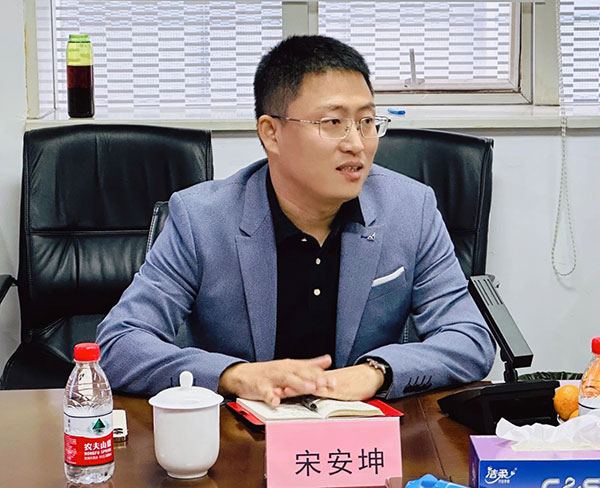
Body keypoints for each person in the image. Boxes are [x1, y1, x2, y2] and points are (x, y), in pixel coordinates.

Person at [96, 35, 495, 405]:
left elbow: (470, 338)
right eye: (333, 123)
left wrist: (377, 372)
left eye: (367, 121)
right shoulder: (202, 219)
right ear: (271, 133)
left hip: (359, 436)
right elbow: (118, 344)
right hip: (241, 438)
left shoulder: (410, 209)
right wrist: (235, 376)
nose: (357, 143)